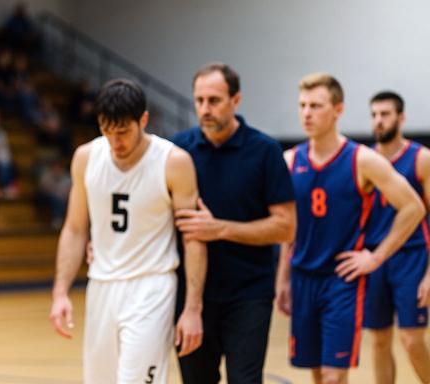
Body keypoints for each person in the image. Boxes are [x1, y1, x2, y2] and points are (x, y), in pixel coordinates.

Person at [49, 78, 207, 384]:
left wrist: (192, 308)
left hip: (152, 286)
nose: (115, 141)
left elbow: (193, 238)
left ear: (143, 120)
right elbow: (75, 228)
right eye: (107, 131)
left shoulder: (174, 162)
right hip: (101, 286)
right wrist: (60, 293)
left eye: (123, 132)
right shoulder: (86, 158)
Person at [277, 73, 425, 384]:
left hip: (361, 272)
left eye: (315, 105)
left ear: (338, 109)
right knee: (331, 367)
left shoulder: (369, 160)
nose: (306, 113)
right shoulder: (289, 161)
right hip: (314, 272)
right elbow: (289, 229)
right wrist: (283, 278)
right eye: (302, 105)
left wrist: (379, 257)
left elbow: (414, 208)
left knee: (343, 371)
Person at [171, 62, 297, 384]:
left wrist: (221, 229)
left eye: (214, 100)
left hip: (248, 294)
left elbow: (286, 226)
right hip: (191, 295)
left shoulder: (265, 151)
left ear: (235, 100)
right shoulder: (178, 150)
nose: (205, 109)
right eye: (199, 100)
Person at [362, 91, 430, 384]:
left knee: (412, 340)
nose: (378, 120)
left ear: (401, 118)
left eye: (385, 114)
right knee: (379, 341)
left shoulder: (421, 159)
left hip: (412, 257)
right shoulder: (364, 160)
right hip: (374, 258)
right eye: (374, 115)